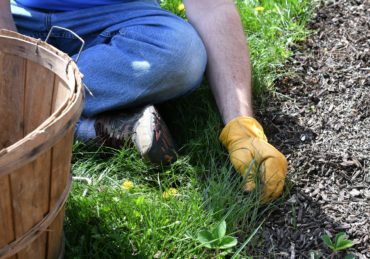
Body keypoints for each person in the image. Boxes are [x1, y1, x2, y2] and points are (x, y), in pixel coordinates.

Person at [0, 0, 287, 202]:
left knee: (182, 54)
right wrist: (13, 57)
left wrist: (242, 125)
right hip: (18, 19)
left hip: (124, 19)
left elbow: (212, 6)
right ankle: (90, 128)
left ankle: (37, 109)